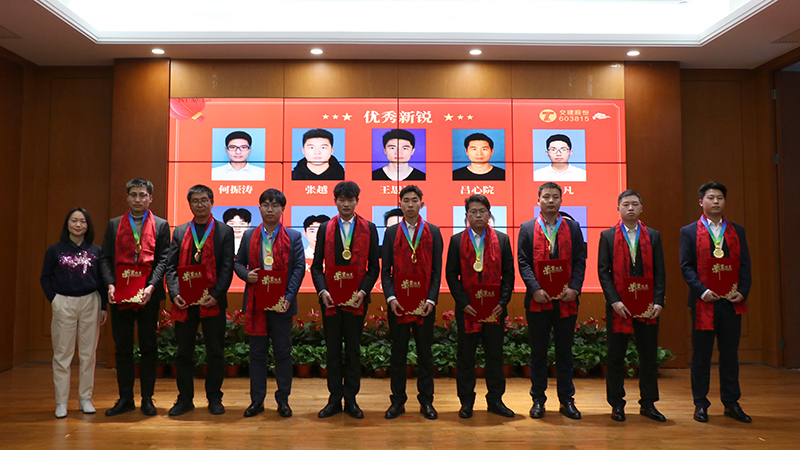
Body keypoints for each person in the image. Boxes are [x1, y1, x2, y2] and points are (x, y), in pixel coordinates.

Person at [680, 181, 752, 423]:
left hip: (731, 302)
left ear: (724, 201)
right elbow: (686, 267)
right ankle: (700, 404)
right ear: (701, 202)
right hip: (704, 302)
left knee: (729, 355)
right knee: (701, 356)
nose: (715, 202)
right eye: (711, 198)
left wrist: (743, 291)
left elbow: (745, 265)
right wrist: (702, 291)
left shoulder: (737, 231)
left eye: (720, 197)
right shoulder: (689, 232)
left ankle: (731, 403)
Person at [100, 178, 171, 416]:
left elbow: (164, 259)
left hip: (148, 295)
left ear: (151, 198)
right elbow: (105, 258)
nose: (138, 199)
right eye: (133, 195)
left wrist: (151, 286)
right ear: (127, 197)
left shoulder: (161, 225)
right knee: (123, 347)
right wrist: (110, 284)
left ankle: (147, 398)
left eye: (142, 195)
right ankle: (125, 398)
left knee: (148, 346)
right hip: (120, 293)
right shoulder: (114, 224)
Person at [311, 181, 380, 419]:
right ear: (335, 201)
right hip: (330, 300)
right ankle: (333, 399)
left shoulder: (369, 228)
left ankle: (351, 399)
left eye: (351, 200)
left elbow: (374, 267)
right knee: (332, 351)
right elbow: (316, 267)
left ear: (357, 201)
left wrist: (363, 292)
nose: (346, 204)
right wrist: (322, 291)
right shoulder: (325, 228)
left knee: (352, 350)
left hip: (357, 300)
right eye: (342, 199)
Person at [518, 182, 586, 420]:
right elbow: (523, 262)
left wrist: (575, 288)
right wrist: (535, 289)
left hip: (566, 300)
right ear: (538, 200)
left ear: (561, 201)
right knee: (538, 353)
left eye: (555, 197)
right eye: (546, 197)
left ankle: (567, 400)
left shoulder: (573, 227)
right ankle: (538, 400)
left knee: (564, 353)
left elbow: (580, 260)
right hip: (538, 301)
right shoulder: (527, 228)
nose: (550, 201)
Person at [234, 189, 305, 418]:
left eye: (275, 205)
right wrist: (246, 275)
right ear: (260, 208)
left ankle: (283, 400)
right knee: (257, 354)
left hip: (282, 304)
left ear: (283, 209)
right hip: (256, 303)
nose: (270, 209)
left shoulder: (294, 236)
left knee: (283, 353)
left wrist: (288, 298)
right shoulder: (249, 236)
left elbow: (299, 269)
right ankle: (257, 401)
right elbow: (238, 263)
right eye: (265, 205)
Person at [164, 185, 234, 416]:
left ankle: (214, 398)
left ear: (212, 202)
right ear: (190, 204)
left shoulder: (224, 231)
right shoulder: (180, 231)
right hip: (185, 303)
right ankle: (185, 399)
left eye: (204, 200)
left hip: (212, 301)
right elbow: (171, 267)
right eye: (195, 201)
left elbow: (227, 267)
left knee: (215, 352)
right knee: (184, 353)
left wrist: (216, 295)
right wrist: (175, 293)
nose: (200, 204)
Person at [597, 190, 666, 422]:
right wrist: (614, 301)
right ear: (618, 208)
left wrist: (658, 301)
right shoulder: (607, 236)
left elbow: (660, 271)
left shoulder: (653, 235)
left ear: (641, 208)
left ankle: (648, 404)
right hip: (619, 306)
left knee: (648, 356)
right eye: (625, 204)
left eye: (635, 204)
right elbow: (603, 272)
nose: (630, 208)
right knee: (615, 357)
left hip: (648, 306)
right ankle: (617, 404)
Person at [445, 194, 515, 419]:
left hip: (494, 310)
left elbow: (508, 275)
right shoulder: (456, 241)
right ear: (467, 215)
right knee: (466, 358)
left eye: (482, 211)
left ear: (489, 214)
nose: (478, 215)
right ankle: (466, 402)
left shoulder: (502, 240)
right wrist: (463, 303)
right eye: (473, 212)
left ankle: (495, 400)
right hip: (468, 311)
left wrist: (502, 302)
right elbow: (451, 275)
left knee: (495, 357)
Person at [381, 186, 443, 420]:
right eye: (405, 200)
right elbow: (385, 271)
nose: (410, 205)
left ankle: (426, 402)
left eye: (414, 200)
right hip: (398, 304)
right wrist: (391, 298)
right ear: (400, 204)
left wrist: (431, 299)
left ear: (421, 204)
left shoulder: (434, 232)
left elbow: (437, 270)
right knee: (398, 354)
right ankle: (397, 401)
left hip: (424, 305)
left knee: (425, 355)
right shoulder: (390, 233)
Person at [40, 207, 108, 418]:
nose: (78, 225)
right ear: (67, 224)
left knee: (88, 354)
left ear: (88, 226)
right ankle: (61, 402)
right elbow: (45, 277)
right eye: (74, 221)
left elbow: (103, 281)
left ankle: (85, 399)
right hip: (64, 302)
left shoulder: (96, 251)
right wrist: (54, 299)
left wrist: (103, 306)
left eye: (82, 221)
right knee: (62, 354)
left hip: (90, 302)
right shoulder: (55, 250)